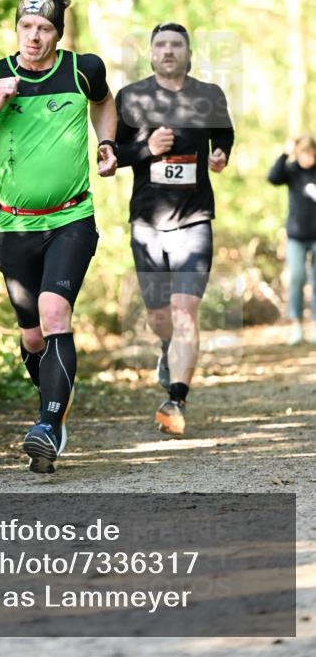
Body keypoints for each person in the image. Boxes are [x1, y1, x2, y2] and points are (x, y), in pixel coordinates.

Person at [0, 0, 117, 473]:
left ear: (57, 34)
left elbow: (105, 103)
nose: (34, 36)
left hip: (71, 218)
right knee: (34, 339)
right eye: (27, 27)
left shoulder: (82, 69)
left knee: (54, 312)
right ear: (17, 29)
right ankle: (53, 411)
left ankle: (47, 426)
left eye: (44, 29)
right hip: (15, 226)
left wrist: (107, 143)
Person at [115, 23, 234, 436]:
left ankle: (176, 399)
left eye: (176, 45)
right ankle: (168, 350)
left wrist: (220, 155)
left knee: (185, 310)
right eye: (161, 45)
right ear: (150, 53)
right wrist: (148, 149)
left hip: (195, 218)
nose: (168, 51)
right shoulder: (132, 97)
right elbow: (114, 153)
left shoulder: (209, 95)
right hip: (147, 222)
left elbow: (225, 135)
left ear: (188, 52)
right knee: (159, 314)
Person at [268, 135, 316, 344]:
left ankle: (315, 325)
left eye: (311, 153)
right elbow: (273, 177)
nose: (308, 158)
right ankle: (296, 325)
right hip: (296, 235)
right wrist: (285, 153)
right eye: (304, 154)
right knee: (297, 278)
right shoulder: (292, 170)